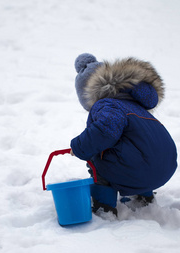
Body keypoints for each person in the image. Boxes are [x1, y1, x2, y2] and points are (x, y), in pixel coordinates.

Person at [70, 53, 177, 215]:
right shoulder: (137, 107)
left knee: (96, 157)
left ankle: (104, 209)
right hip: (166, 167)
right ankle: (143, 198)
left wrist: (78, 147)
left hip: (141, 170)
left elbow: (104, 132)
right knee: (135, 149)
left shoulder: (106, 104)